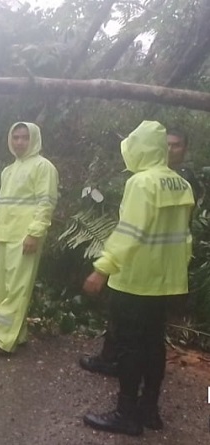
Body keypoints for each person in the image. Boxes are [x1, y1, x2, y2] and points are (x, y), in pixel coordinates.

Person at [82, 120, 194, 436]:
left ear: (141, 148)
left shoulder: (141, 183)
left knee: (130, 347)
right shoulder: (180, 184)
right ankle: (150, 411)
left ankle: (126, 414)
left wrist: (101, 268)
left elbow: (128, 233)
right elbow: (183, 237)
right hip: (165, 281)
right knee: (154, 344)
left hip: (135, 280)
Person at [0, 122, 58, 356]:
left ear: (34, 140)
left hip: (25, 238)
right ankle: (14, 333)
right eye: (16, 137)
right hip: (5, 237)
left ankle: (3, 341)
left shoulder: (43, 167)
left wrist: (34, 233)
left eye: (25, 138)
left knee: (17, 290)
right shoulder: (8, 170)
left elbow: (46, 203)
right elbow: (2, 205)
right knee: (0, 288)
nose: (20, 142)